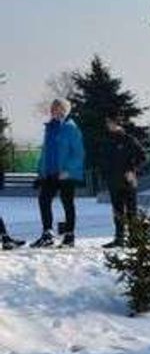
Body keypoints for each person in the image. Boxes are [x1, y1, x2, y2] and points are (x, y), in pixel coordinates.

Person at [32, 99, 85, 248]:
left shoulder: (71, 129)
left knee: (67, 202)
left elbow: (78, 153)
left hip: (66, 174)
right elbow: (45, 152)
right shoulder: (50, 128)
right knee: (44, 199)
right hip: (50, 173)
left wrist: (68, 171)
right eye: (53, 107)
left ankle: (69, 236)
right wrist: (40, 172)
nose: (54, 110)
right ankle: (47, 234)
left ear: (65, 110)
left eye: (58, 107)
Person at [100, 116, 147, 249]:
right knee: (117, 211)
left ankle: (134, 238)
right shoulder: (107, 141)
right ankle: (119, 238)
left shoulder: (129, 140)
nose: (110, 125)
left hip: (128, 182)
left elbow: (143, 156)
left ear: (119, 124)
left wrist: (133, 170)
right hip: (113, 182)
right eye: (108, 123)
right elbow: (104, 161)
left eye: (112, 123)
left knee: (132, 211)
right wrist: (106, 175)